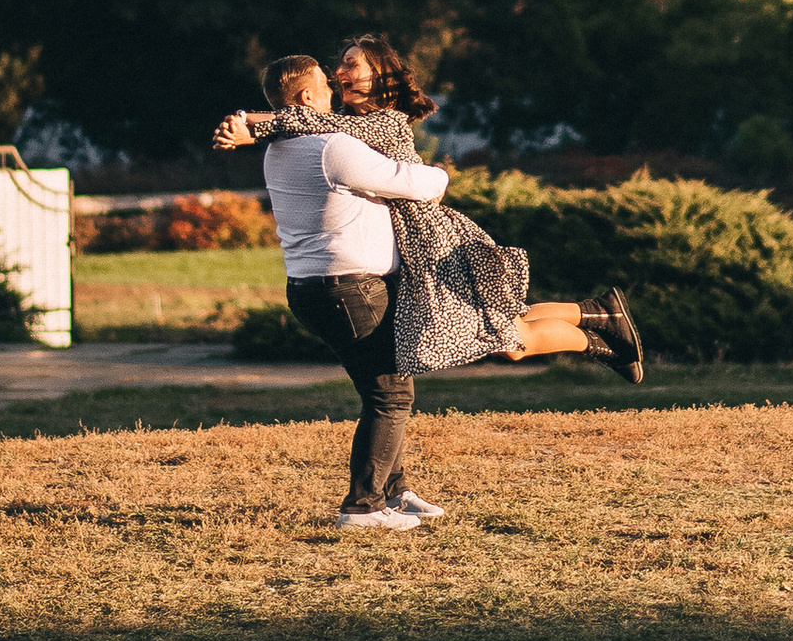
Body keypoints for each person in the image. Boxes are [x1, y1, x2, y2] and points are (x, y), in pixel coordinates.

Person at [215, 38, 643, 385]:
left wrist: (250, 126)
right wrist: (255, 126)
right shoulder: (340, 122)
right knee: (500, 331)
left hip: (430, 239)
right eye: (339, 66)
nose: (340, 73)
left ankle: (599, 330)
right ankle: (598, 316)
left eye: (352, 65)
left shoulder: (382, 120)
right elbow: (309, 121)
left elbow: (310, 122)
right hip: (413, 242)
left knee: (505, 337)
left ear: (379, 77)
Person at [248, 53, 454, 535]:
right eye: (325, 83)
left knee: (376, 390)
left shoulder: (281, 148)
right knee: (391, 394)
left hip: (313, 288)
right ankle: (362, 508)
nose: (334, 91)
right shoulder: (331, 147)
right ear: (305, 98)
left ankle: (394, 490)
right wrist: (441, 176)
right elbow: (414, 182)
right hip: (349, 289)